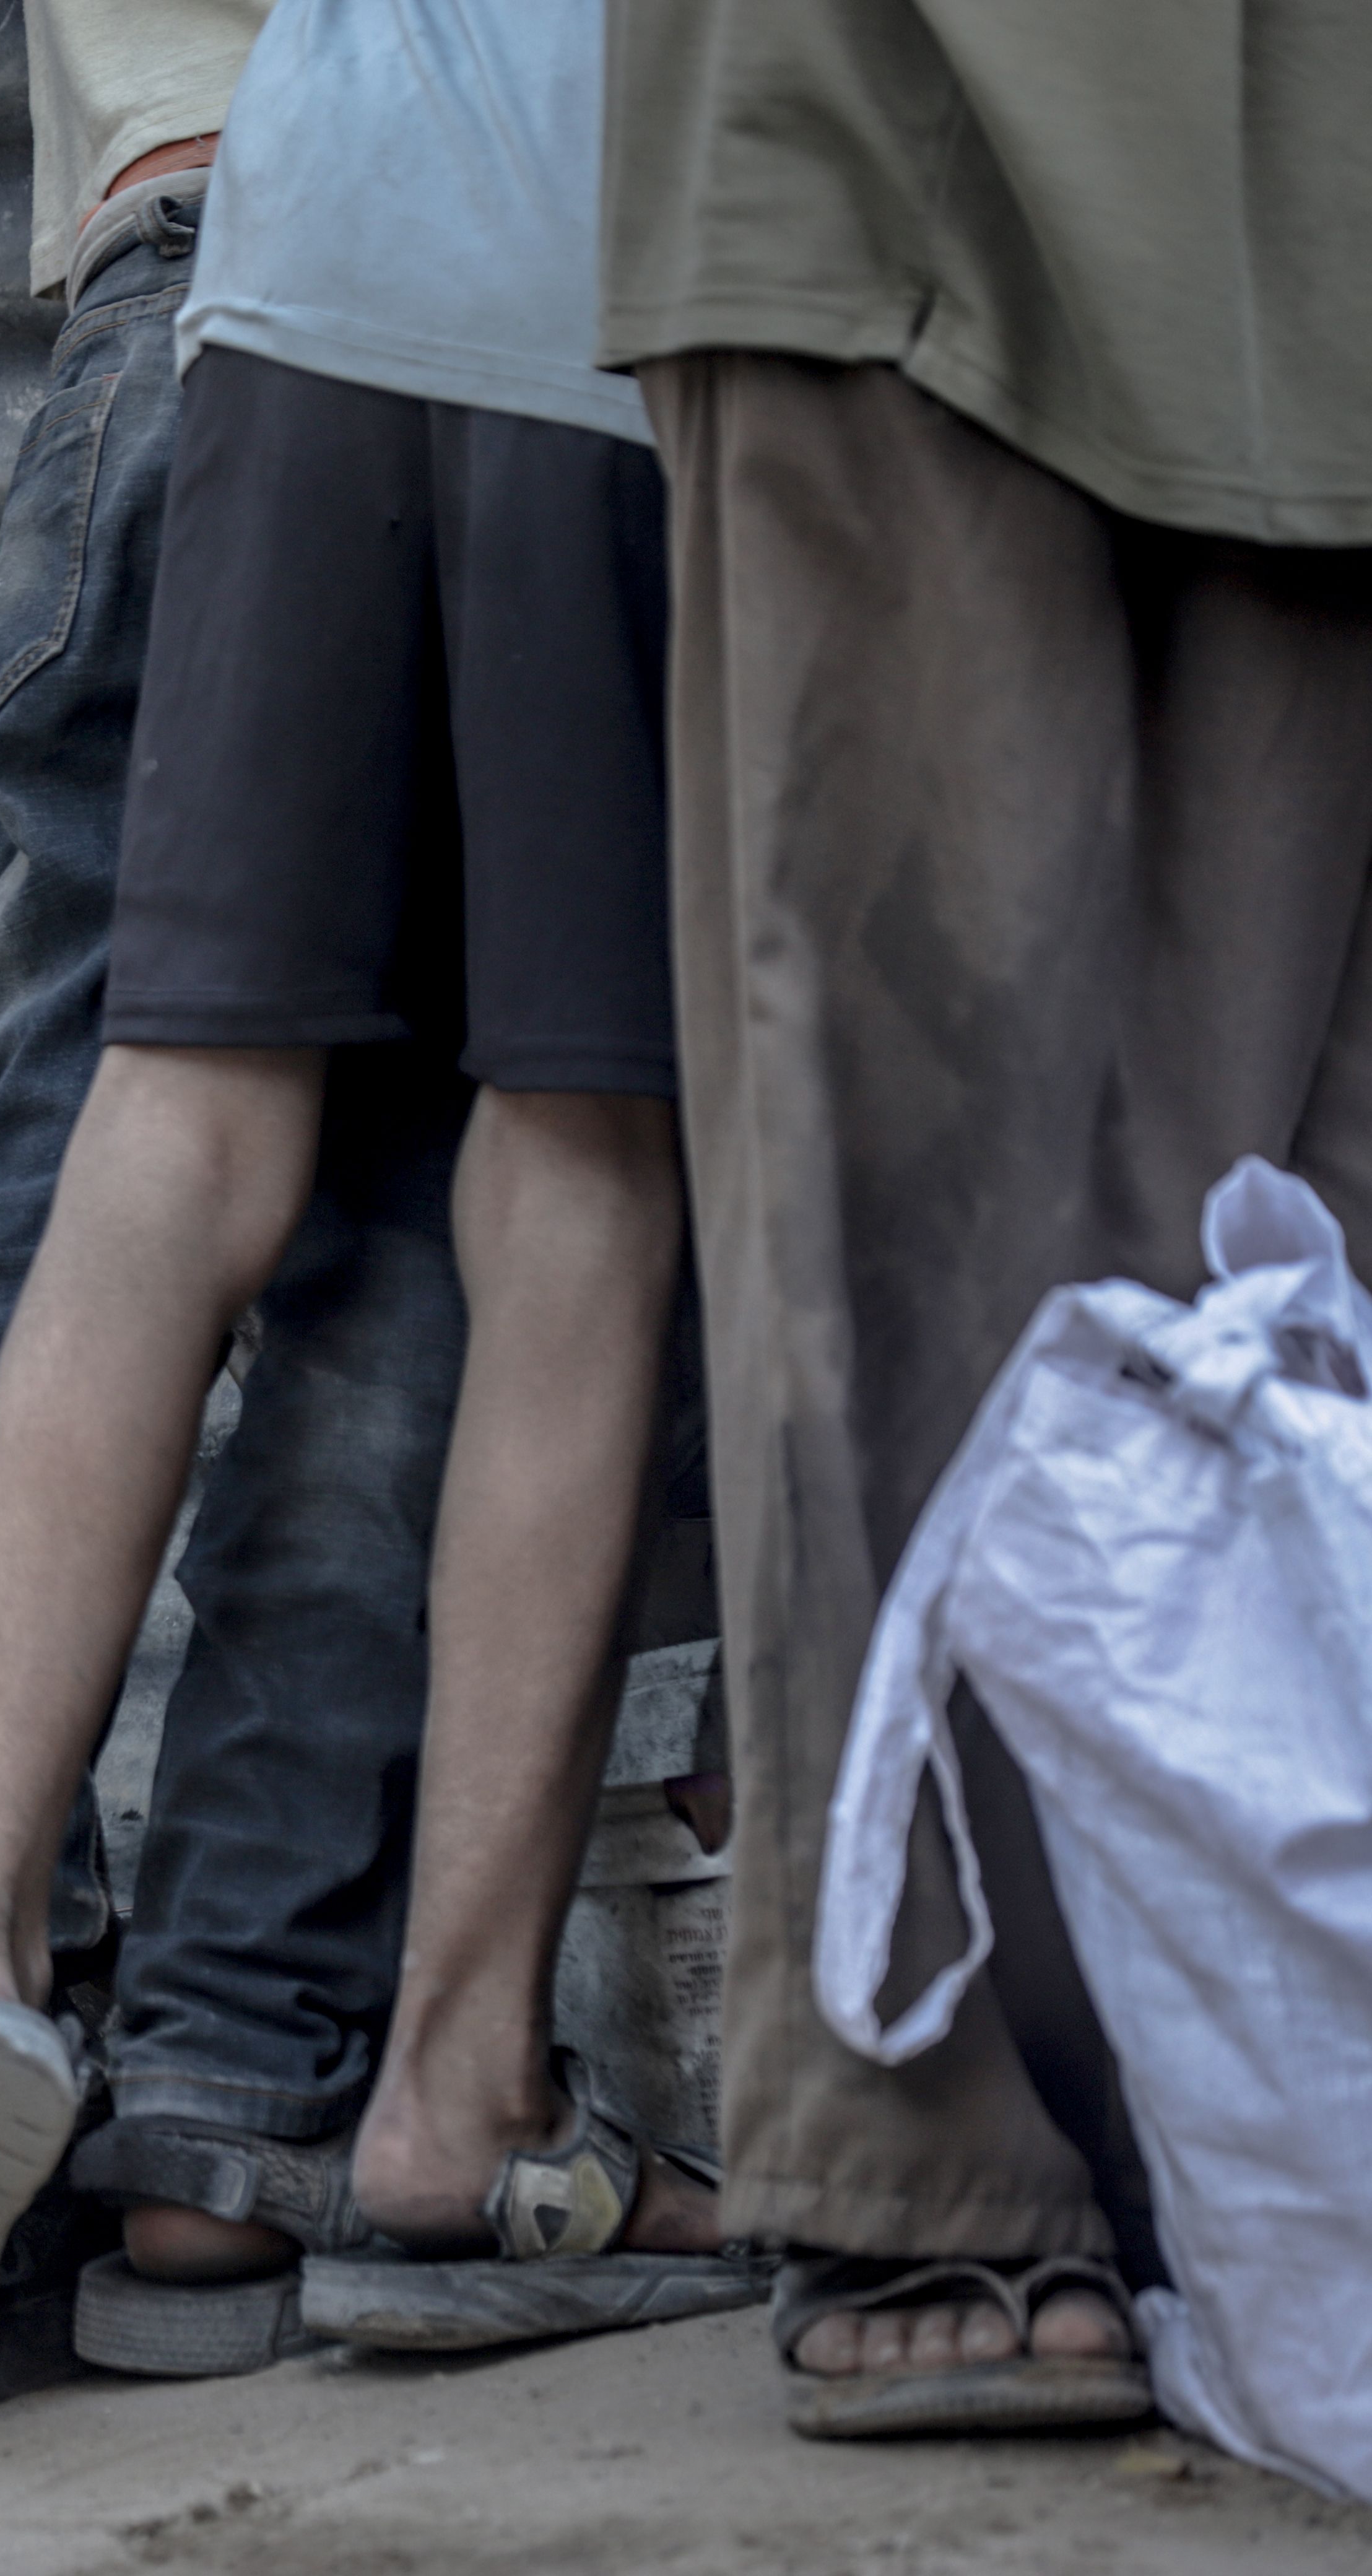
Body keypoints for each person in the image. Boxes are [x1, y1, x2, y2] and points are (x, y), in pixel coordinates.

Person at [0, 0, 760, 2438]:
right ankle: (451, 2085)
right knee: (576, 1164)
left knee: (168, 1118)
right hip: (625, 251)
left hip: (300, 210)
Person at [596, 0, 1372, 2442]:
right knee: (907, 1203)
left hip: (1328, 162)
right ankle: (920, 2123)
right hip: (880, 115)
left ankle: (1227, 2114)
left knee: (1273, 1253)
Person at [0, 0, 494, 2390]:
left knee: (61, 1171)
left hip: (181, 275)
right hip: (486, 289)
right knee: (412, 1215)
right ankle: (226, 2092)